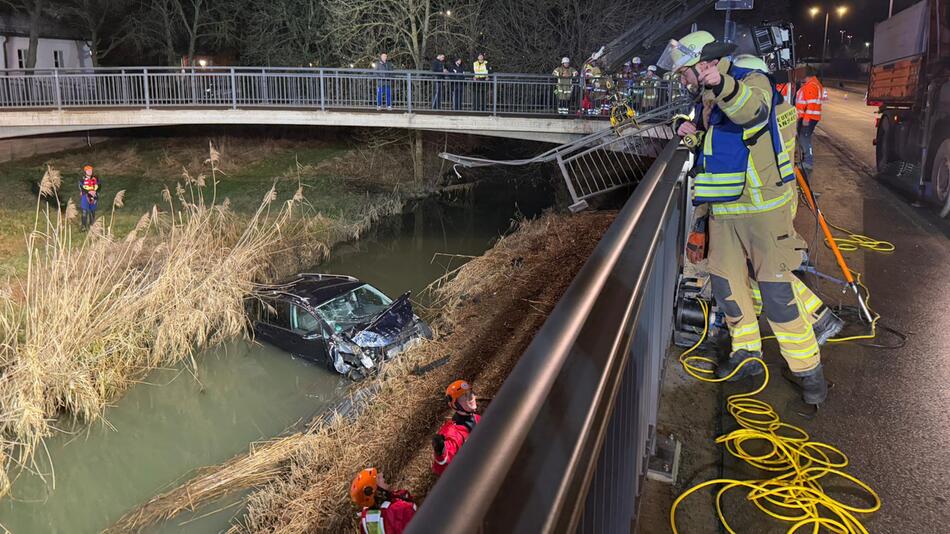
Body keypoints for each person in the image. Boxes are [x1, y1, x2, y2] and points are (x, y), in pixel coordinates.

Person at [661, 30, 833, 405]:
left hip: (763, 211)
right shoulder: (706, 98)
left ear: (702, 64)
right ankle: (747, 356)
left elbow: (751, 111)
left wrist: (722, 84)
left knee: (777, 297)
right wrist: (686, 131)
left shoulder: (749, 82)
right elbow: (714, 146)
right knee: (729, 289)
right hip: (724, 212)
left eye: (683, 73)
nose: (681, 80)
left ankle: (809, 374)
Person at [432, 379, 481, 476]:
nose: (471, 398)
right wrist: (441, 452)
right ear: (455, 405)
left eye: (470, 393)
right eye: (464, 397)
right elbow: (441, 467)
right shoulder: (452, 432)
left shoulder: (477, 418)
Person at [350, 467, 416, 534]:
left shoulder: (365, 519)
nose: (381, 475)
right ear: (376, 492)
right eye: (378, 478)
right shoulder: (400, 509)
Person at [795, 67, 823, 171]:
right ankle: (805, 160)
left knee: (804, 139)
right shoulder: (811, 84)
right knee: (804, 139)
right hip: (808, 117)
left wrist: (806, 119)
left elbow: (811, 104)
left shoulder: (812, 86)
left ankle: (808, 162)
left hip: (808, 118)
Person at [79, 164, 100, 231]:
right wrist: (89, 191)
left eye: (90, 170)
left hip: (94, 196)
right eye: (88, 170)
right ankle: (83, 226)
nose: (90, 171)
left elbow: (99, 186)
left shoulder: (95, 178)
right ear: (85, 171)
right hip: (85, 196)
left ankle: (92, 226)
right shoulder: (82, 179)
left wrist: (95, 192)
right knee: (84, 211)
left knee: (92, 211)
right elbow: (81, 187)